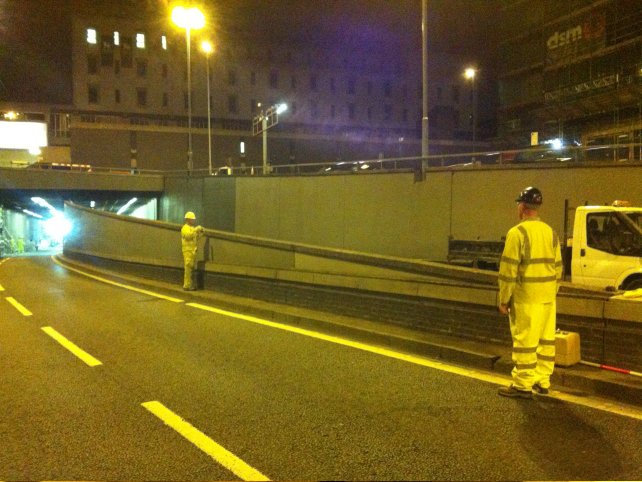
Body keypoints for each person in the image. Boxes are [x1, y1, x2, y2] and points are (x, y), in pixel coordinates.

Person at [497, 187, 563, 398]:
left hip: (526, 297)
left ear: (523, 207)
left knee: (525, 341)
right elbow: (559, 269)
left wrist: (504, 298)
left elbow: (508, 270)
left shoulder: (517, 233)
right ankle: (542, 381)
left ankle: (522, 385)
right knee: (546, 341)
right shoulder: (551, 233)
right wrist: (551, 292)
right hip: (548, 298)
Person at [181, 211, 204, 291]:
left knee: (191, 269)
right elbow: (188, 236)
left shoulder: (192, 228)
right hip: (187, 251)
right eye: (192, 219)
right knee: (188, 269)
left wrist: (200, 233)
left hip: (192, 251)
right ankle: (186, 285)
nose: (193, 221)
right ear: (188, 219)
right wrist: (195, 230)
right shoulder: (185, 228)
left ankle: (190, 284)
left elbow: (195, 238)